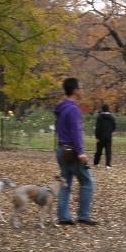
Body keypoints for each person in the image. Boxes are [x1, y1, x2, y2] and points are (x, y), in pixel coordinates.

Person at [53, 77, 97, 226]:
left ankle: (63, 217)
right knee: (87, 182)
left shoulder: (61, 108)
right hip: (72, 151)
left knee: (65, 183)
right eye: (81, 88)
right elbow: (76, 132)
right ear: (75, 90)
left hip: (61, 150)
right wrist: (80, 152)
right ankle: (83, 215)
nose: (82, 91)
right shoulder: (73, 109)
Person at [93, 104, 116, 169]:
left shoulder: (99, 117)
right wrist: (110, 131)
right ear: (108, 109)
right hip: (108, 137)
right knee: (108, 151)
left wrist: (97, 137)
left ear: (102, 109)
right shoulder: (111, 117)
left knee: (99, 151)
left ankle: (96, 163)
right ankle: (108, 165)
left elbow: (97, 128)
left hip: (100, 137)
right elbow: (114, 126)